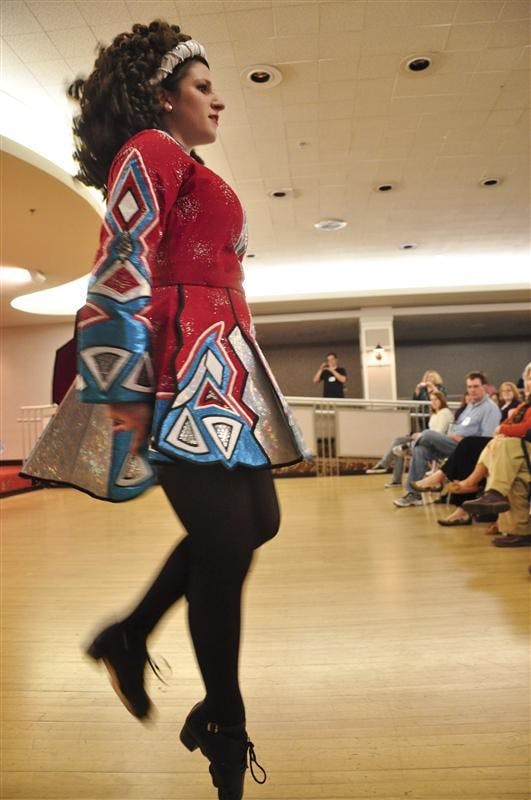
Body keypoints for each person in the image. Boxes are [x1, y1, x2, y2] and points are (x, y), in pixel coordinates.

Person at [69, 21, 306, 800]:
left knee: (253, 525)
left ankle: (128, 634)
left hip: (216, 365)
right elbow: (119, 257)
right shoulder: (153, 147)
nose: (218, 99)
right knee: (227, 538)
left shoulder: (180, 159)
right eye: (202, 86)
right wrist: (125, 384)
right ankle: (223, 723)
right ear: (162, 96)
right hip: (177, 368)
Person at [393, 372, 501, 508]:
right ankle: (414, 495)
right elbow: (458, 425)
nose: (472, 390)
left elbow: (486, 440)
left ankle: (409, 445)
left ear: (484, 387)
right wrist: (452, 434)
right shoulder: (471, 406)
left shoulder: (490, 408)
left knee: (427, 433)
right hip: (452, 443)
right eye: (469, 387)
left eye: (475, 386)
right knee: (420, 450)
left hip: (467, 449)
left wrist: (460, 438)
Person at [366, 391, 453, 487]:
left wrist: (420, 435)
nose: (433, 402)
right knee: (398, 442)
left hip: (435, 443)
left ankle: (386, 467)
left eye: (436, 399)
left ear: (441, 400)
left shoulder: (445, 413)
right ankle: (391, 471)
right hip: (427, 439)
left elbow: (438, 433)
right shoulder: (435, 414)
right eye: (431, 400)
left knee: (400, 447)